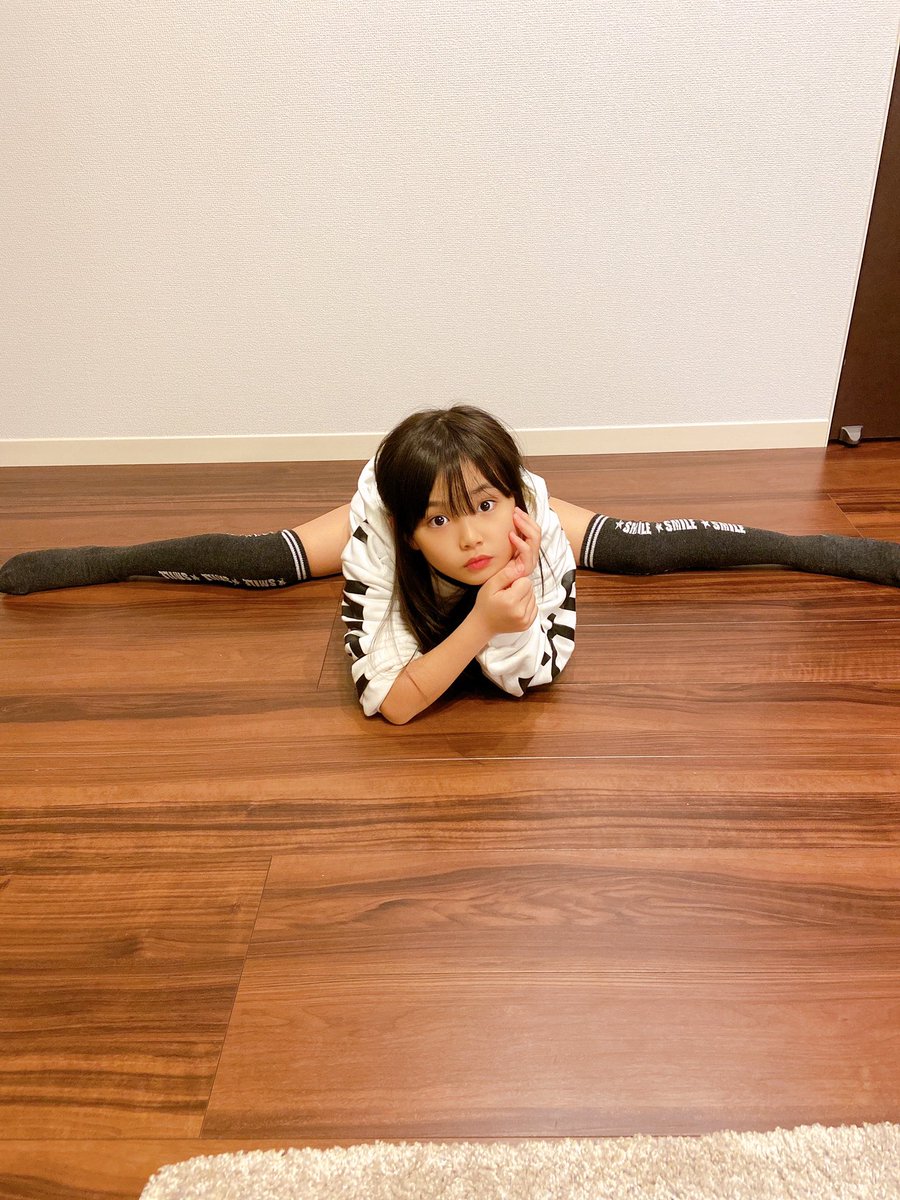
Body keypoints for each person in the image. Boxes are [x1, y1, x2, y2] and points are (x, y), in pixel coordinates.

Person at [2, 404, 899, 723]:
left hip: (497, 506)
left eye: (486, 509)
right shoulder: (380, 539)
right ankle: (88, 562)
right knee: (269, 559)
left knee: (641, 546)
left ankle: (851, 554)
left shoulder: (528, 521)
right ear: (408, 531)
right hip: (390, 512)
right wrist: (477, 624)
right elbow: (392, 703)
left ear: (512, 500)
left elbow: (532, 674)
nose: (472, 539)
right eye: (443, 521)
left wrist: (511, 592)